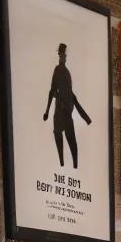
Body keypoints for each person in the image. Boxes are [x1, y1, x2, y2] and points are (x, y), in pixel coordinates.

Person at [43, 41, 91, 169]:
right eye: (63, 54)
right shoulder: (58, 70)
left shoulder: (67, 72)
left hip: (67, 114)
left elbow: (71, 95)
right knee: (59, 141)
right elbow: (52, 90)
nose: (64, 56)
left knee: (73, 145)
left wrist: (86, 118)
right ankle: (61, 165)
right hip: (59, 113)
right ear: (60, 55)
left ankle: (75, 167)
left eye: (65, 54)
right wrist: (47, 111)